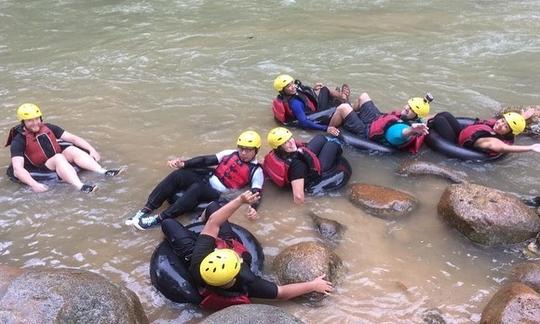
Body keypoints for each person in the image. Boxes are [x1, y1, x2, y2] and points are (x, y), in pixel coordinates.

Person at [161, 191, 333, 310]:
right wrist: (313, 285)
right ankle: (198, 225)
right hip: (224, 243)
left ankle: (198, 221)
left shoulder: (200, 260)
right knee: (213, 209)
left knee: (168, 223)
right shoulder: (248, 280)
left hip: (191, 252)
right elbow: (281, 293)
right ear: (237, 267)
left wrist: (239, 201)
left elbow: (213, 222)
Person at [129, 130, 264, 230]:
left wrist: (253, 208)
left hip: (219, 193)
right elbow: (205, 160)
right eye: (241, 148)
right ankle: (146, 209)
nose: (243, 153)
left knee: (197, 188)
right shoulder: (229, 154)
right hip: (208, 179)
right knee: (179, 174)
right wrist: (184, 164)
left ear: (255, 150)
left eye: (248, 150)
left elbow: (256, 192)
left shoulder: (256, 171)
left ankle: (159, 219)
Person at [5, 103, 122, 193]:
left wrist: (92, 150)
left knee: (71, 149)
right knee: (59, 157)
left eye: (37, 119)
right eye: (30, 120)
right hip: (40, 167)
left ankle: (103, 172)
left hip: (53, 157)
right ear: (23, 122)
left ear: (41, 118)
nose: (35, 123)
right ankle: (80, 187)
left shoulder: (49, 128)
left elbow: (74, 139)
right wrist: (34, 184)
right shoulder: (18, 141)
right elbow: (17, 169)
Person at [333, 92, 433, 154]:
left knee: (343, 107)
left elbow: (402, 133)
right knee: (364, 96)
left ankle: (328, 128)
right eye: (408, 105)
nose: (406, 108)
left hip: (366, 132)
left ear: (416, 117)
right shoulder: (410, 118)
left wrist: (411, 130)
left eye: (411, 109)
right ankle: (352, 109)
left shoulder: (400, 129)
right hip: (376, 118)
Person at [263, 127, 343, 204]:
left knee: (320, 137)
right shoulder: (298, 165)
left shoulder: (274, 153)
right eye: (285, 142)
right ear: (279, 148)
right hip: (318, 168)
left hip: (300, 159)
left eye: (290, 138)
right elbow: (298, 197)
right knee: (332, 144)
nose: (291, 142)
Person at [272, 74, 359, 136]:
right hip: (312, 116)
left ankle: (342, 97)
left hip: (313, 109)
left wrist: (313, 89)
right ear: (283, 91)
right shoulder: (295, 104)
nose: (293, 86)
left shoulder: (294, 91)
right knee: (337, 108)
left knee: (324, 89)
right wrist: (326, 128)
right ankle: (350, 106)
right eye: (288, 86)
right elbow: (304, 122)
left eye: (292, 83)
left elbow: (304, 92)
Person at [427, 110, 540, 155]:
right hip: (461, 133)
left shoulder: (492, 140)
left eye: (505, 126)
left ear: (508, 133)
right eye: (502, 120)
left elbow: (503, 148)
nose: (500, 124)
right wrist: (522, 117)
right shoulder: (501, 130)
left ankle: (422, 125)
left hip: (456, 143)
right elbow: (513, 126)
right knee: (445, 114)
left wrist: (530, 147)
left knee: (439, 119)